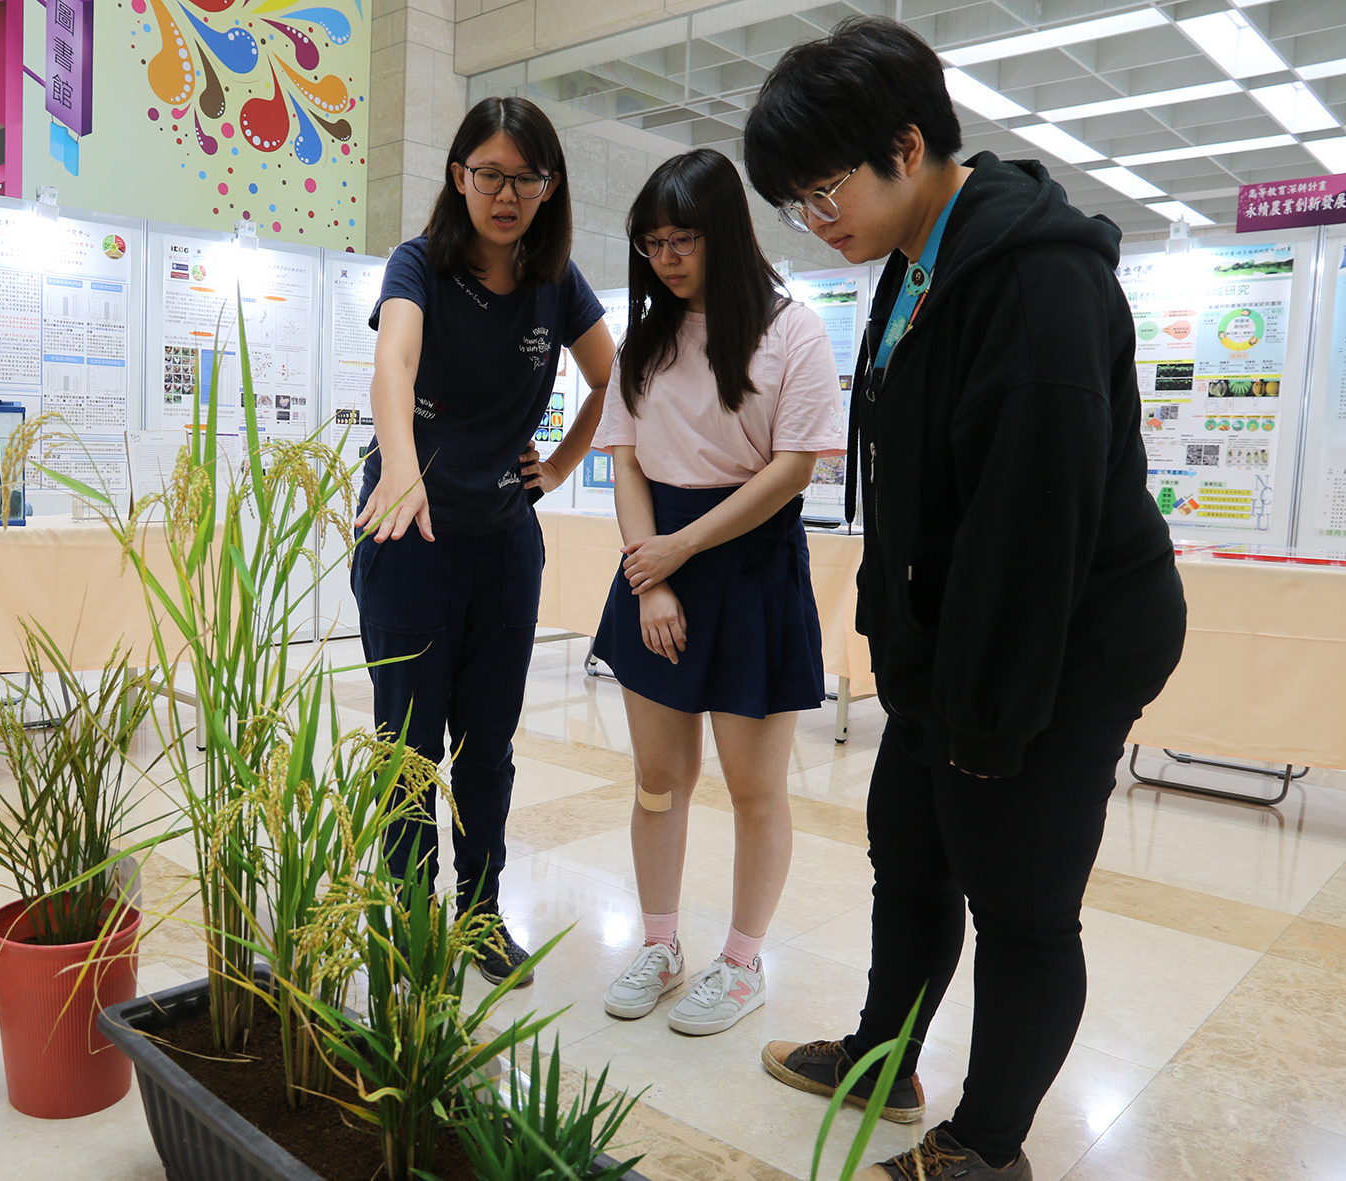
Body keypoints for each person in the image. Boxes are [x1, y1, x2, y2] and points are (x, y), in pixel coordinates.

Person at [741, 17, 1185, 1181]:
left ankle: (986, 1147)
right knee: (912, 850)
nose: (816, 218)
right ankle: (883, 1060)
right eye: (795, 202)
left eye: (824, 187)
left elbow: (1030, 523)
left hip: (1056, 645)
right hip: (954, 636)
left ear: (905, 144)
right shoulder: (912, 258)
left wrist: (984, 716)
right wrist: (911, 656)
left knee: (1021, 899)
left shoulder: (1033, 275)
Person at [354, 95, 616, 985]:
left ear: (550, 187)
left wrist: (566, 460)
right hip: (410, 531)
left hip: (505, 540)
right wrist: (400, 464)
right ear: (458, 176)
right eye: (490, 174)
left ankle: (476, 914)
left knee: (488, 746)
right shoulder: (419, 264)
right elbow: (394, 358)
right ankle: (405, 913)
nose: (507, 194)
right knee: (407, 746)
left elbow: (616, 382)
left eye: (526, 178)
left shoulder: (558, 282)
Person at [591, 149, 842, 1036]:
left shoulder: (791, 331)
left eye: (684, 239)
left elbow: (794, 468)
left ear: (723, 234)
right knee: (659, 780)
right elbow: (624, 461)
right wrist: (649, 575)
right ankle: (660, 944)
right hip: (654, 566)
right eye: (652, 242)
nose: (666, 257)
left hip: (750, 570)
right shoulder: (646, 340)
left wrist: (678, 549)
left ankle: (742, 962)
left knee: (753, 790)